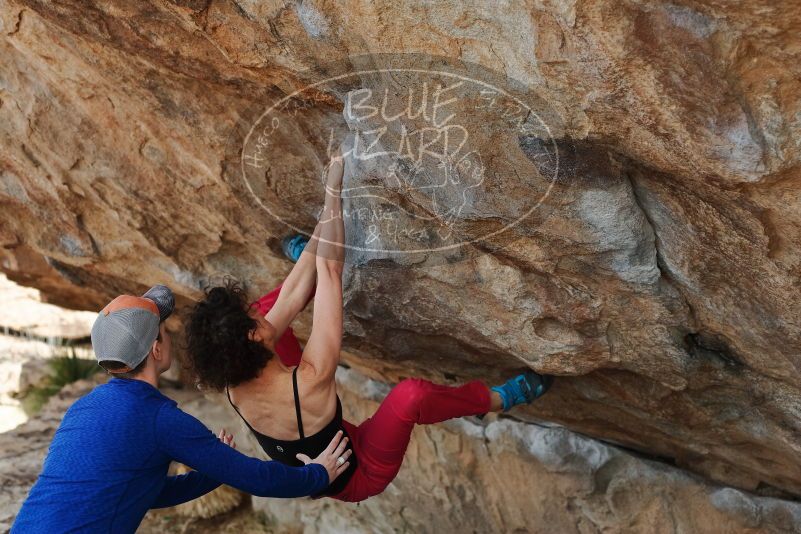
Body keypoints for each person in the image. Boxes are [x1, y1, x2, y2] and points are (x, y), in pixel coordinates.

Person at [184, 143, 553, 503]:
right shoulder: (309, 380)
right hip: (360, 471)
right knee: (411, 396)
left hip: (314, 428)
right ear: (254, 337)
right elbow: (331, 271)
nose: (260, 319)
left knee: (272, 302)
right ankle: (494, 399)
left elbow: (292, 295)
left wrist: (319, 238)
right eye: (255, 322)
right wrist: (333, 194)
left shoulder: (233, 374)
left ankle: (308, 252)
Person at [12, 285, 351, 533]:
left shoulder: (83, 409)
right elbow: (254, 477)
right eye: (164, 330)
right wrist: (317, 475)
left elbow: (146, 491)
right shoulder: (161, 420)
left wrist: (212, 471)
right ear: (157, 349)